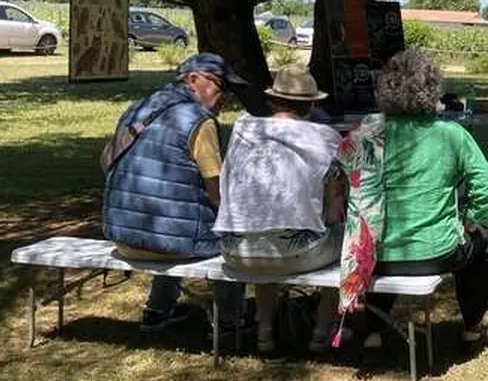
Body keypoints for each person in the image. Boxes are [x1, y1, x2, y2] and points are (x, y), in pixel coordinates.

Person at [339, 49, 488, 345]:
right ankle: (472, 327)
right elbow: (487, 190)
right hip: (437, 252)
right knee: (482, 245)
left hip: (374, 253)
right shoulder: (451, 134)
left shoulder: (367, 132)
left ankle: (373, 329)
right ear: (432, 90)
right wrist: (472, 221)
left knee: (385, 240)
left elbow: (343, 172)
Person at [102, 52, 248, 334]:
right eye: (221, 86)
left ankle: (157, 311)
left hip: (122, 236)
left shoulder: (136, 108)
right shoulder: (200, 120)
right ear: (193, 80)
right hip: (171, 245)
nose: (226, 97)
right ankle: (230, 321)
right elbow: (216, 190)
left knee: (172, 225)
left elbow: (106, 160)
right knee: (232, 235)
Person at [214, 65, 345, 355]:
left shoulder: (243, 129)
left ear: (273, 100)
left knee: (264, 225)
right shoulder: (324, 137)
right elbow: (338, 199)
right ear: (311, 104)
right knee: (344, 238)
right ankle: (322, 331)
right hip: (294, 253)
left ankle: (265, 332)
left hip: (235, 250)